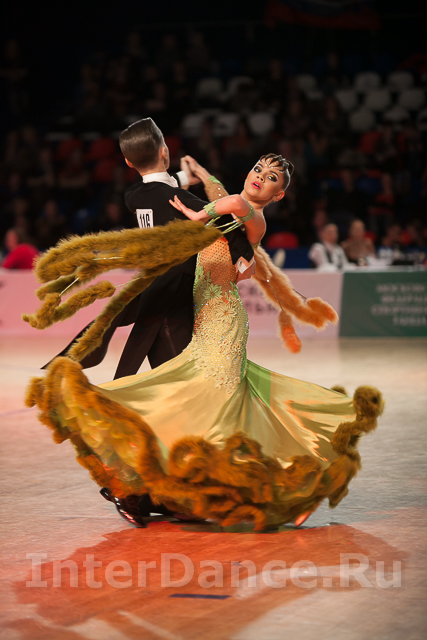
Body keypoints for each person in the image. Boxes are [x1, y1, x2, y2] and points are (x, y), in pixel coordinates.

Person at [27, 154, 383, 531]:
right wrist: (203, 175)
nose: (260, 177)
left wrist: (196, 210)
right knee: (226, 404)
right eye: (258, 169)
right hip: (204, 317)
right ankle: (255, 486)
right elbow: (225, 200)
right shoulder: (238, 214)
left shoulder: (247, 213)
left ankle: (194, 488)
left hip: (222, 320)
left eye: (272, 178)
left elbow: (228, 204)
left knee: (209, 406)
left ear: (279, 195)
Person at [44, 118, 254, 377]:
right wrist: (245, 256)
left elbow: (156, 191)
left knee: (166, 364)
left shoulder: (133, 197)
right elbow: (221, 218)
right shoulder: (179, 199)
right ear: (164, 152)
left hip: (153, 284)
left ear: (129, 163)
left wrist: (182, 178)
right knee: (183, 371)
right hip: (173, 292)